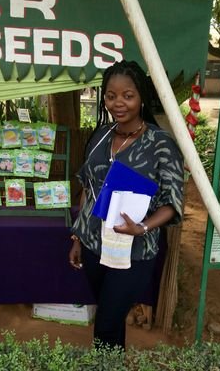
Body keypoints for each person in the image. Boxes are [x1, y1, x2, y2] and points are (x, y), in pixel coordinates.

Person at [69, 60, 184, 350]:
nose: (118, 103)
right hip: (95, 245)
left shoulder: (160, 144)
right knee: (111, 320)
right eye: (111, 96)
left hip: (133, 250)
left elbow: (172, 203)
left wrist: (143, 226)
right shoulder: (100, 136)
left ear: (142, 97)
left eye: (128, 95)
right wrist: (78, 237)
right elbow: (88, 188)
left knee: (105, 324)